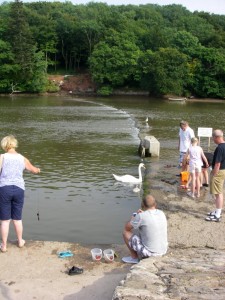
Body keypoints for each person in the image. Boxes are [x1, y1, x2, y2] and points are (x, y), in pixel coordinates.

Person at [0, 135, 40, 252]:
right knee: (17, 219)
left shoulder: (2, 157)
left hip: (4, 189)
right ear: (14, 145)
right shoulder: (22, 158)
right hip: (18, 190)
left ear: (5, 145)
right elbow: (33, 170)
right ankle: (20, 241)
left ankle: (4, 245)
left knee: (5, 220)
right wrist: (38, 170)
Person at [122, 194, 168, 264]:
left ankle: (134, 257)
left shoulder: (141, 216)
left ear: (143, 204)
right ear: (155, 204)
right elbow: (149, 218)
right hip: (163, 250)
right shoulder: (161, 213)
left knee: (126, 233)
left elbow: (127, 228)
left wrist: (134, 217)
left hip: (151, 254)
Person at [205, 129, 225, 222]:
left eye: (213, 138)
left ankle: (217, 214)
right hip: (222, 171)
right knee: (218, 192)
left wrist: (213, 173)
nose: (213, 140)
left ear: (217, 137)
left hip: (218, 172)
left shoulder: (220, 148)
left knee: (218, 193)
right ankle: (217, 211)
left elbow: (217, 163)